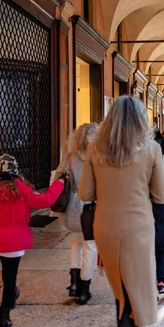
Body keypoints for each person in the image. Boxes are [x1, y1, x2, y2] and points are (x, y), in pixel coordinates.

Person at [79, 96, 164, 327]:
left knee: (125, 295)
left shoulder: (95, 150)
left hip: (105, 230)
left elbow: (85, 193)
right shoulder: (151, 149)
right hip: (137, 232)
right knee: (133, 302)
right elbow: (161, 196)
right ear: (142, 120)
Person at [0, 154, 64, 327]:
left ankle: (13, 295)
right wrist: (59, 184)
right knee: (10, 278)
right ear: (15, 171)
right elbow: (46, 200)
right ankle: (4, 315)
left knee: (7, 272)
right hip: (15, 241)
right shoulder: (21, 189)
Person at [55, 123, 98, 304]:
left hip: (73, 205)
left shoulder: (69, 157)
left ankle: (73, 283)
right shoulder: (99, 157)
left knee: (76, 243)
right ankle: (84, 289)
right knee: (90, 246)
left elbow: (57, 178)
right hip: (92, 206)